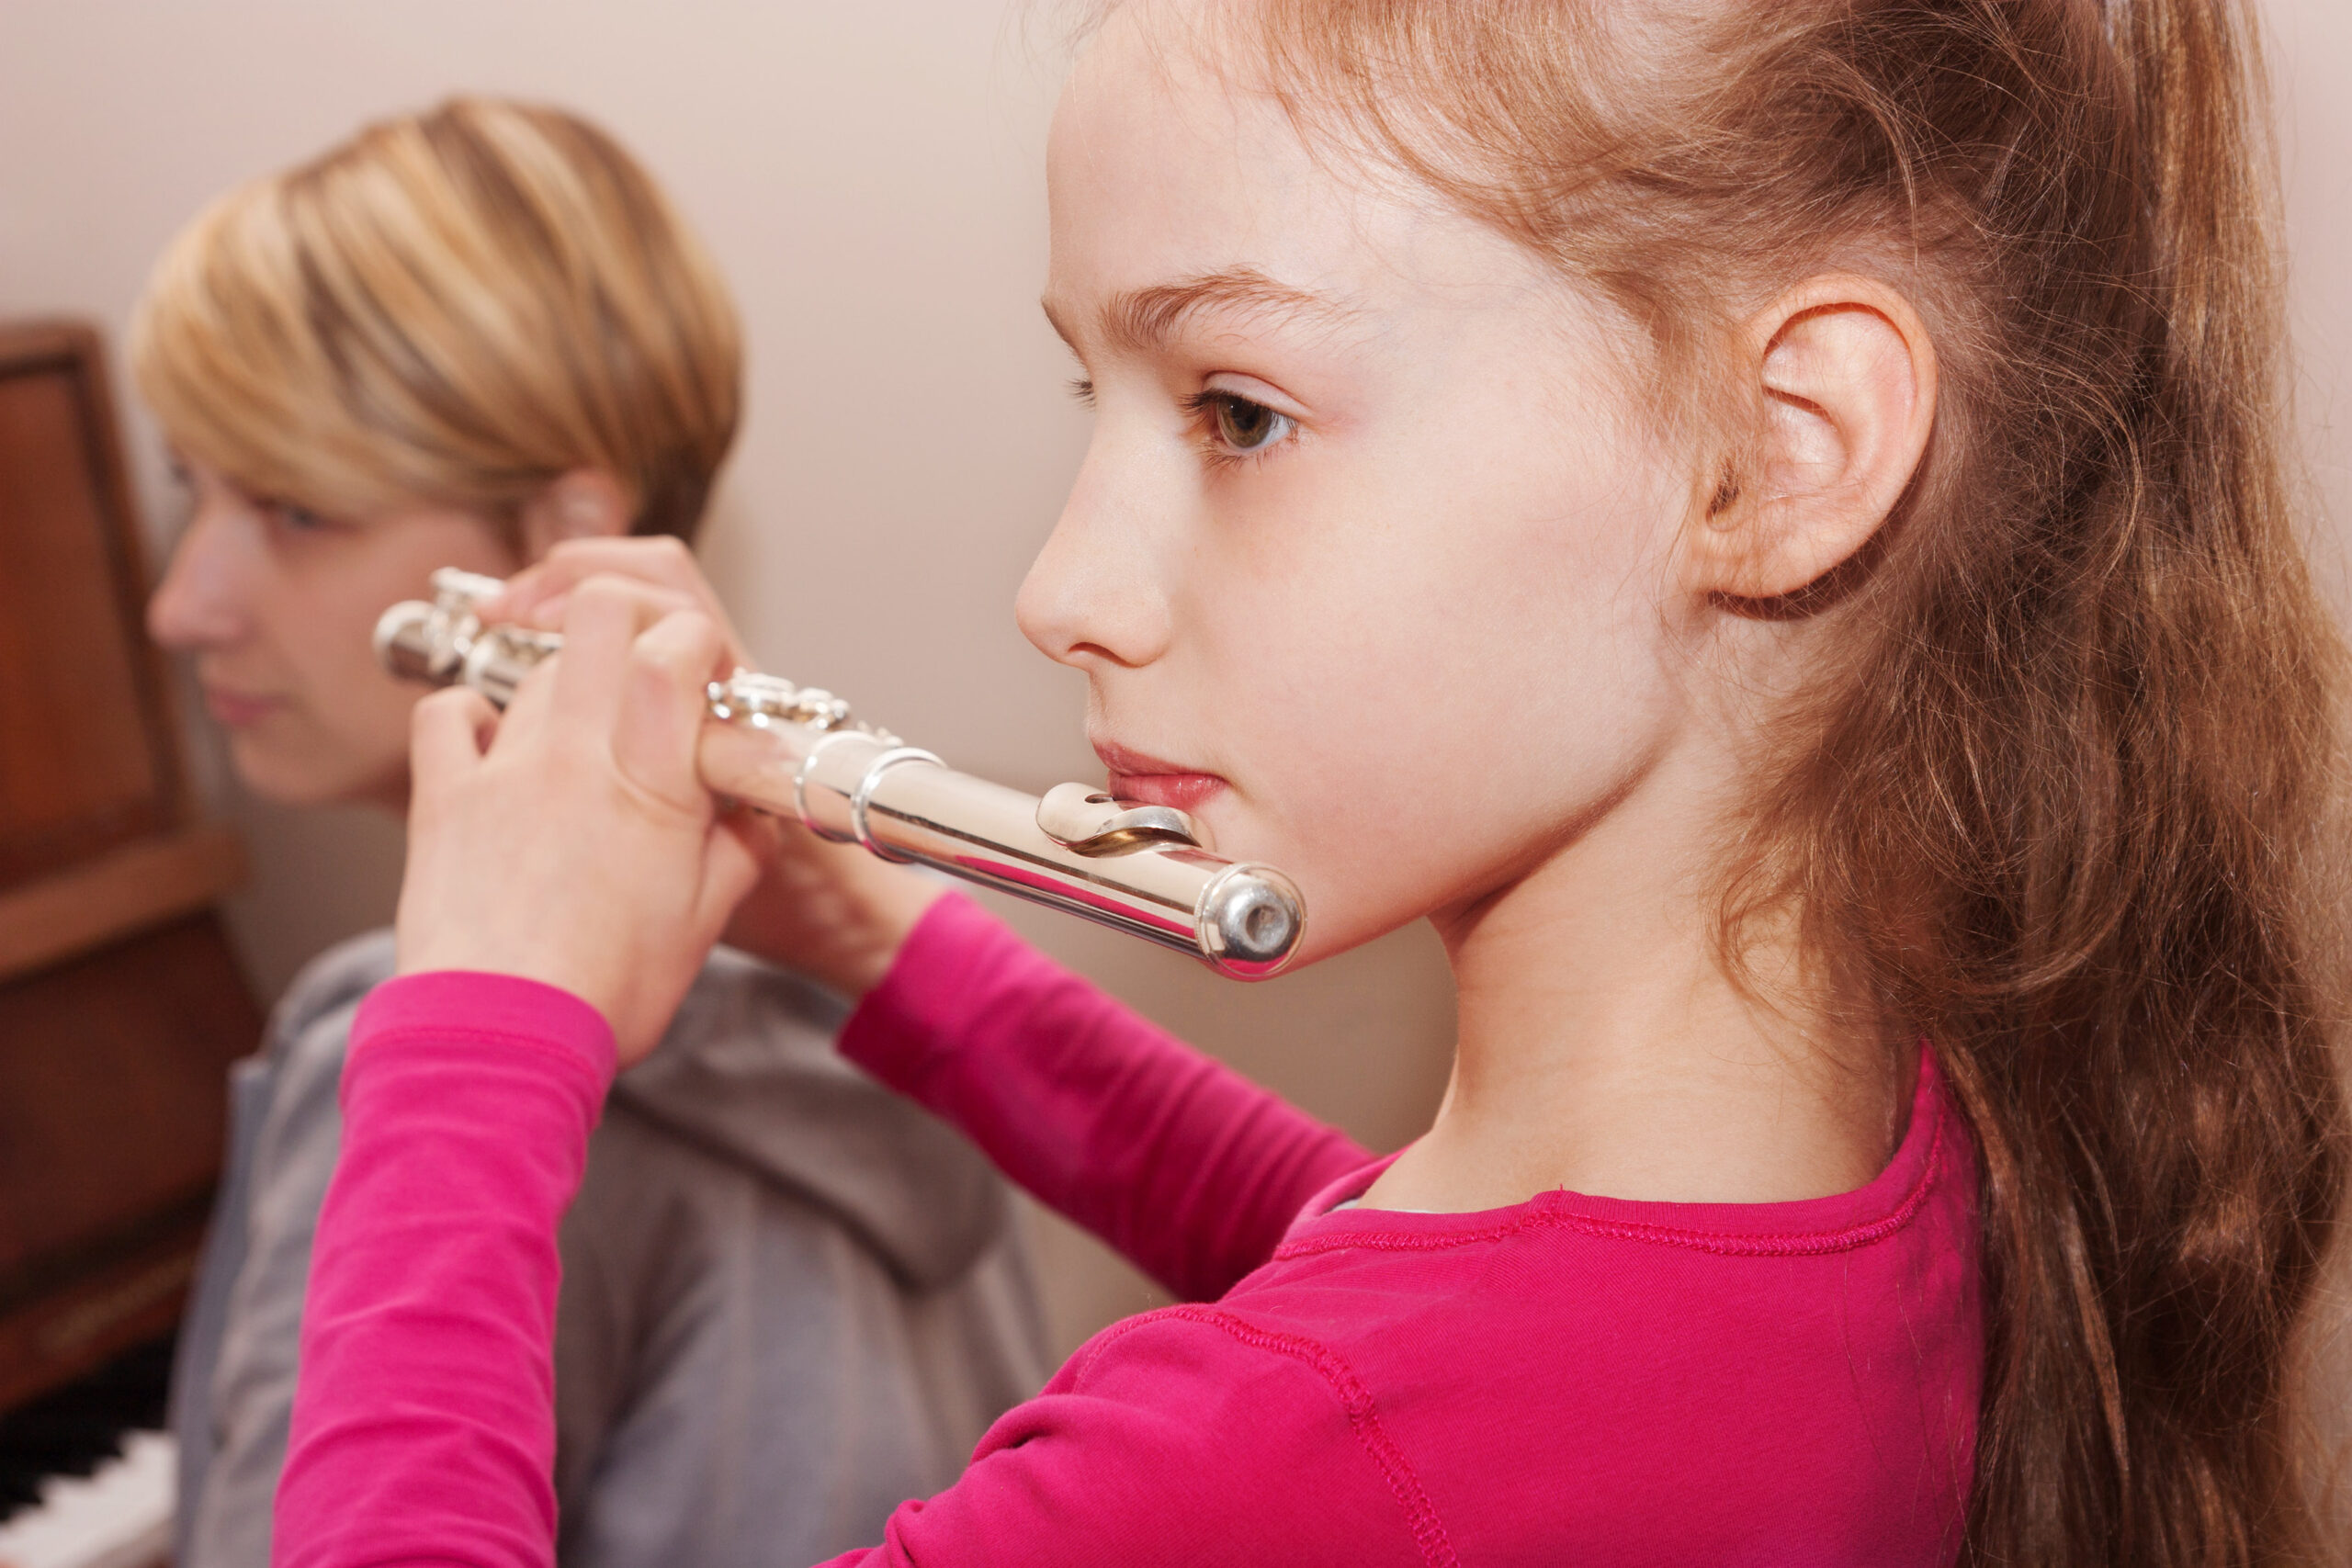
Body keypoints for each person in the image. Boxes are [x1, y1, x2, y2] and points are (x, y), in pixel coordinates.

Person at [271, 3, 2348, 1564]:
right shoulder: (1860, 1167)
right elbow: (1375, 1262)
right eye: (1097, 393)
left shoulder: (1266, 1460)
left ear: (1774, 455)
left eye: (1237, 410)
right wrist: (874, 932)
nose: (1058, 589)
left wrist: (474, 1015)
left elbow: (1348, 1388)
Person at [136, 96, 1046, 1568]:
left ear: (570, 535)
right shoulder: (872, 996)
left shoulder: (415, 1044)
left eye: (293, 507)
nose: (185, 603)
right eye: (195, 490)